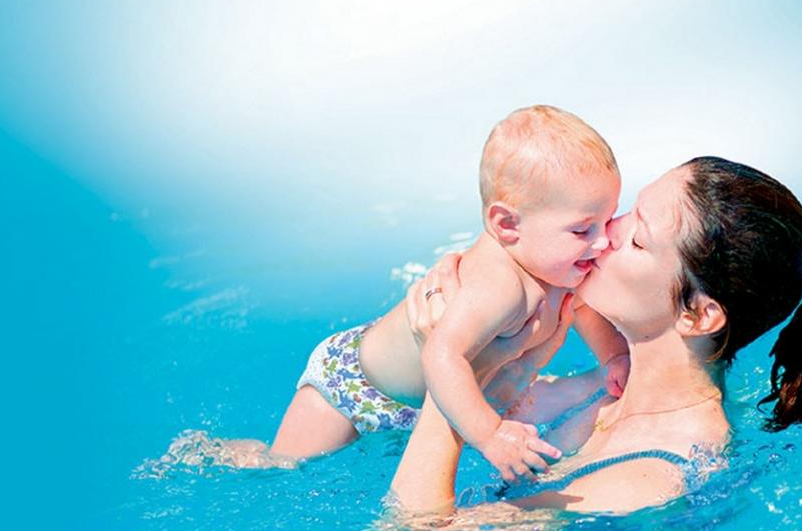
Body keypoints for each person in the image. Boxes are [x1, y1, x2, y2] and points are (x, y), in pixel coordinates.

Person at [389, 156, 802, 516]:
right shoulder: (613, 385)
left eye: (638, 239)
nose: (606, 234)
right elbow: (494, 409)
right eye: (629, 212)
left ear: (698, 315)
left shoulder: (645, 480)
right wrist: (477, 305)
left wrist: (451, 358)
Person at [270, 106, 630, 481]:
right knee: (281, 469)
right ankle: (240, 455)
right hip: (352, 387)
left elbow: (584, 307)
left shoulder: (554, 261)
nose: (602, 241)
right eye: (582, 230)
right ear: (507, 225)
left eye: (607, 220)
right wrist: (491, 435)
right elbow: (441, 354)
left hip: (422, 403)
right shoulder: (500, 285)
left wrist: (614, 355)